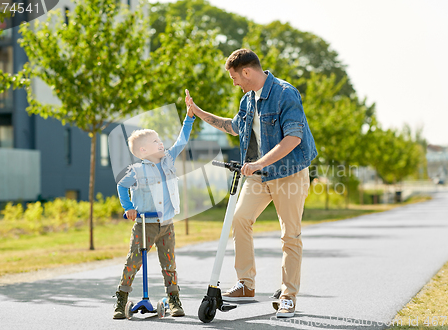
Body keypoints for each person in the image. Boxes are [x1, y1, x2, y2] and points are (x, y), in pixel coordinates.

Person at [185, 49, 317, 318]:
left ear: (246, 72)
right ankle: (246, 284)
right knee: (239, 219)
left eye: (234, 76)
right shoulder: (248, 100)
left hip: (288, 172)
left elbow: (293, 138)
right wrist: (197, 111)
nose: (234, 82)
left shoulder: (284, 93)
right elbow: (233, 126)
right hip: (259, 175)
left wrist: (259, 163)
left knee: (290, 235)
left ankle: (288, 295)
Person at [112, 102, 195, 319]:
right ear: (143, 150)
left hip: (166, 224)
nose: (161, 144)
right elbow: (121, 186)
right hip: (143, 226)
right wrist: (128, 208)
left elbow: (182, 141)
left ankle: (174, 299)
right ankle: (121, 300)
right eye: (156, 141)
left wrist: (189, 118)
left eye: (160, 140)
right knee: (133, 262)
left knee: (169, 263)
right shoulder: (136, 171)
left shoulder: (167, 159)